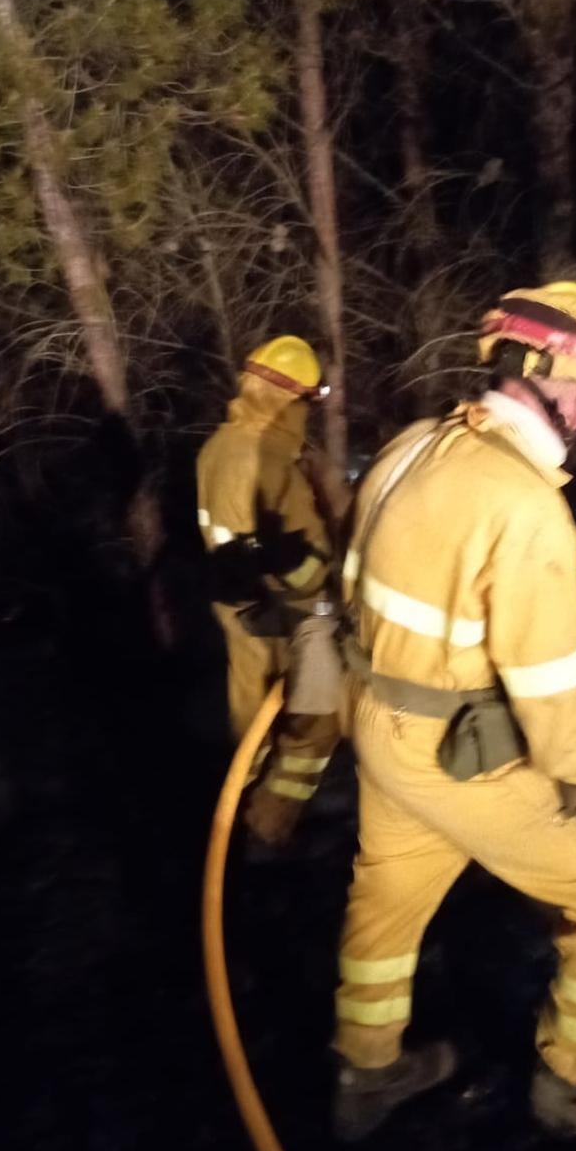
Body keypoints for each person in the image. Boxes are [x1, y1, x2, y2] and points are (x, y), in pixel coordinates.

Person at [331, 282, 576, 1151]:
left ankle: (366, 1068)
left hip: (378, 718)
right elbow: (550, 681)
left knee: (389, 892)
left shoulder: (414, 448)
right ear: (542, 373)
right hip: (455, 750)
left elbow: (353, 585)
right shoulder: (525, 506)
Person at [197, 336, 343, 848]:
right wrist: (320, 584)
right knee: (317, 721)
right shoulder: (260, 455)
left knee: (253, 721)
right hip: (291, 615)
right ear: (285, 397)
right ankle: (266, 829)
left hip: (250, 611)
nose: (307, 413)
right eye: (305, 400)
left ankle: (243, 821)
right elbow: (280, 559)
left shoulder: (224, 445)